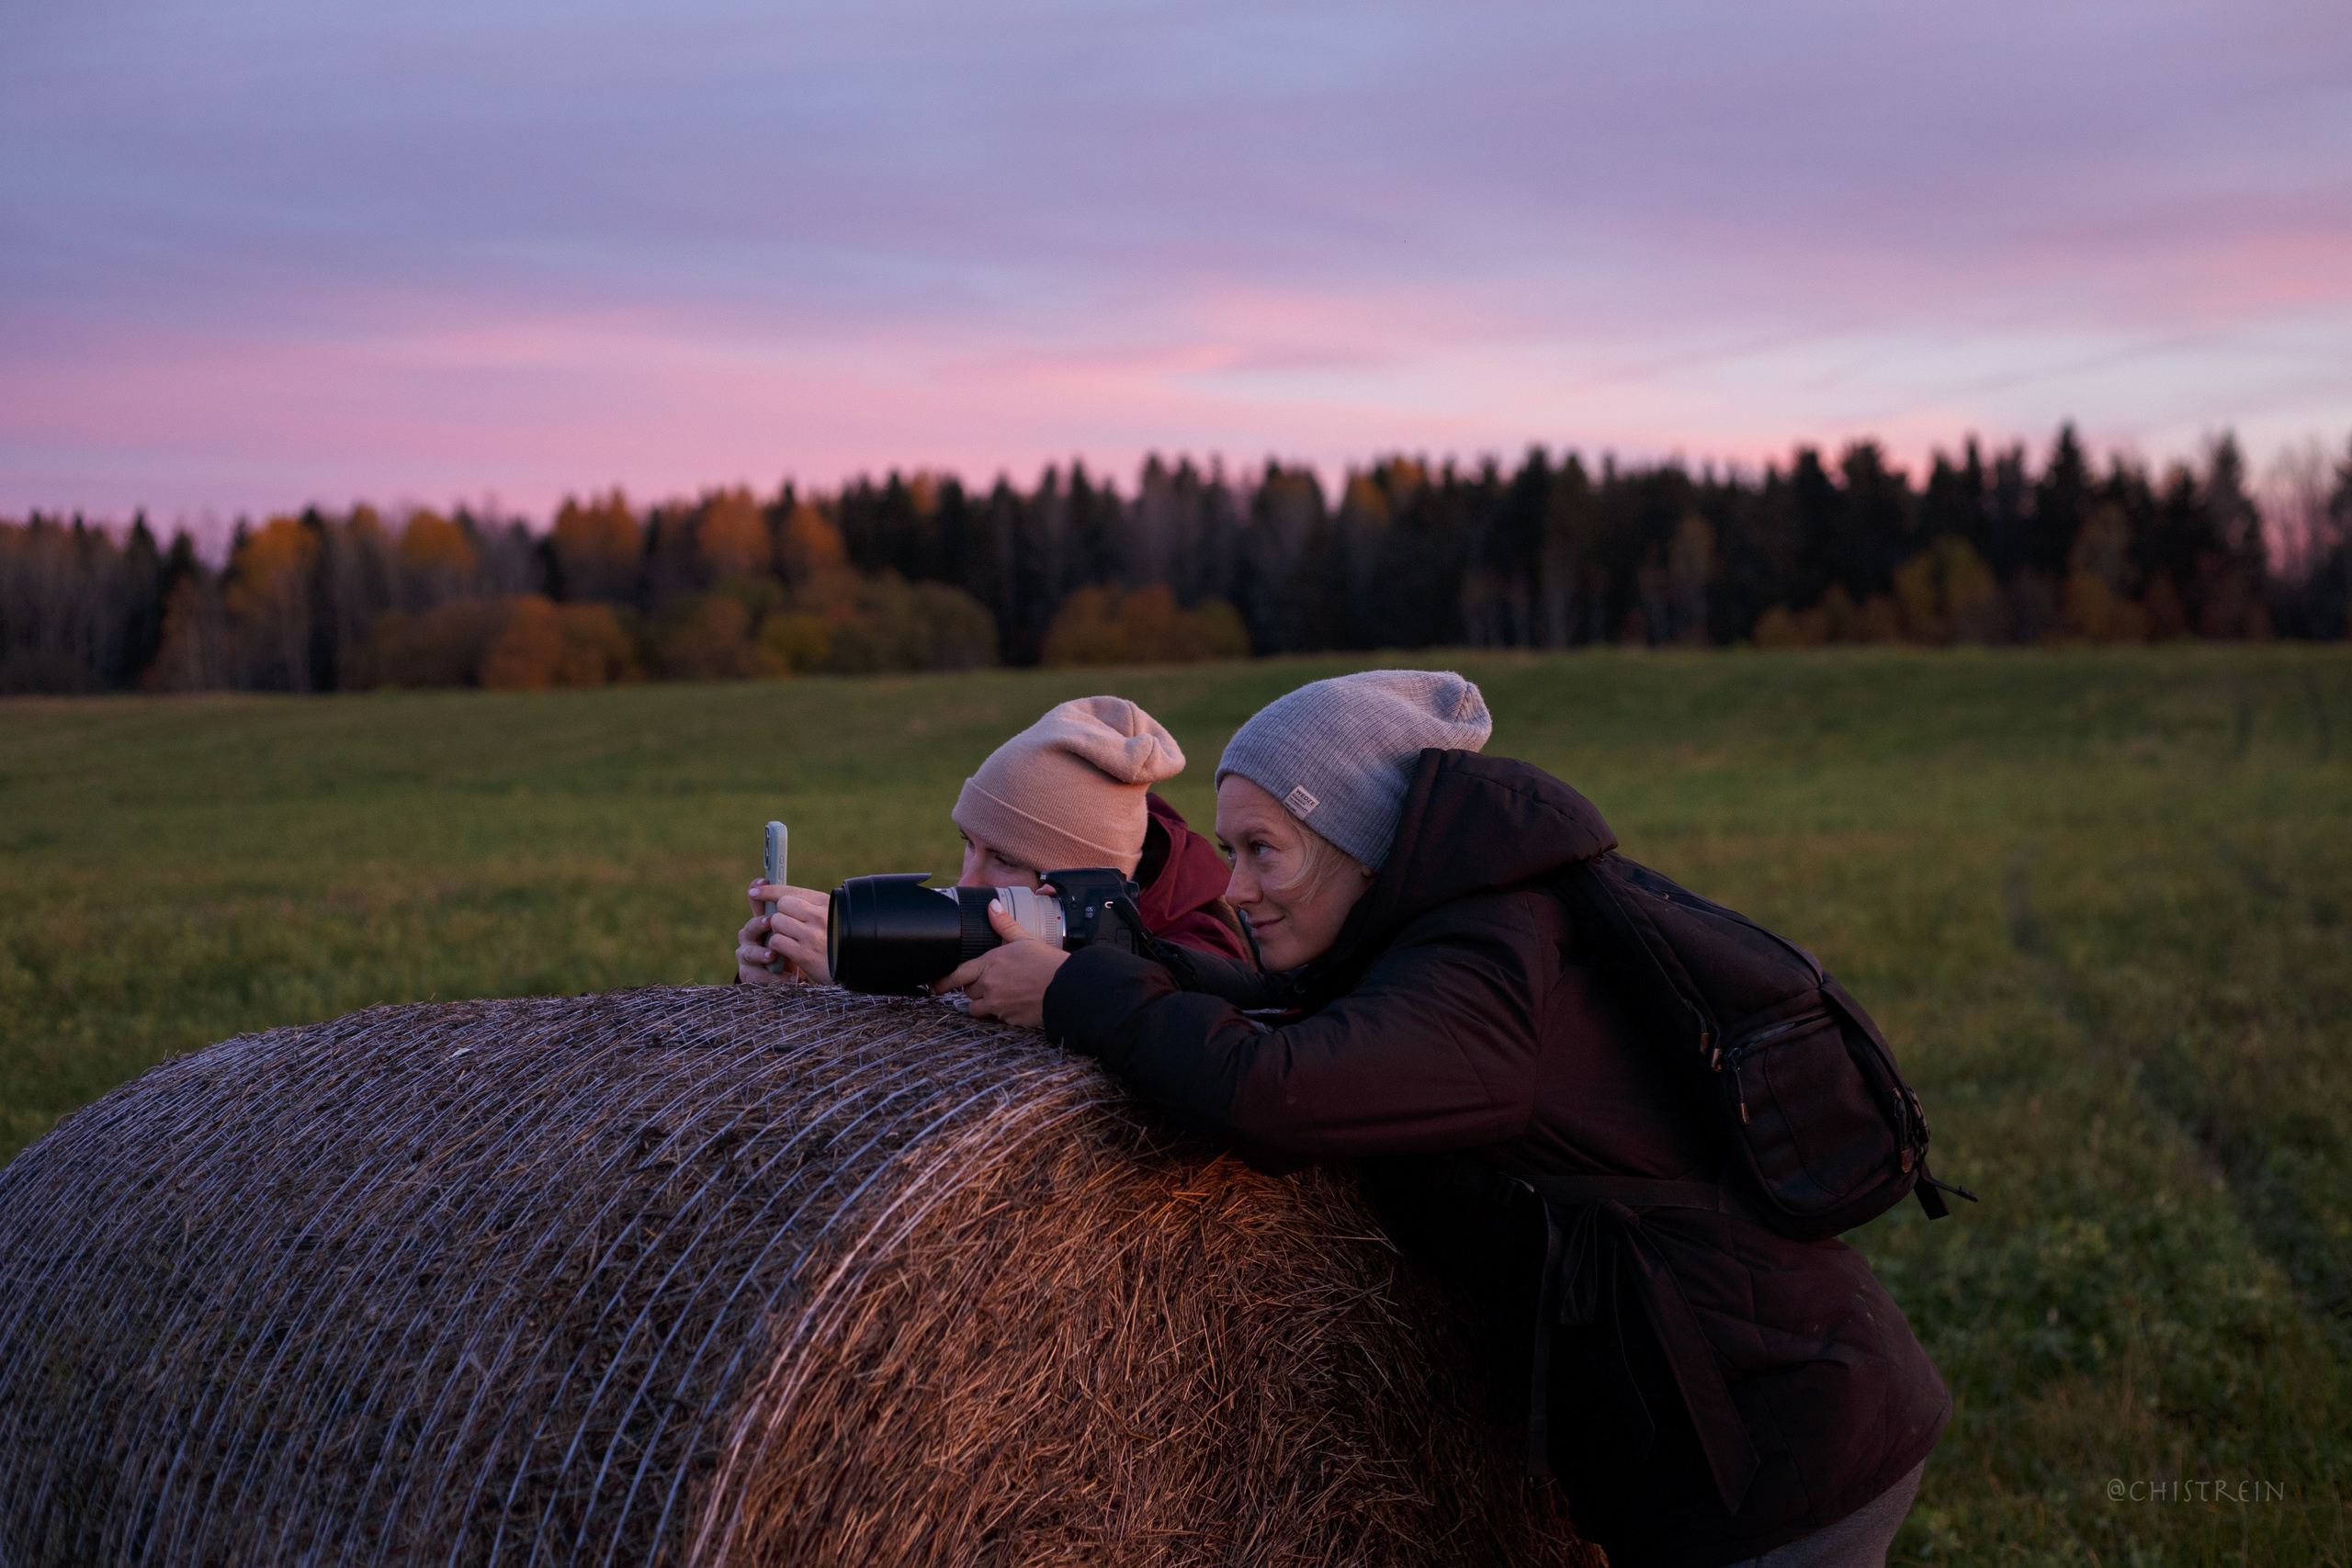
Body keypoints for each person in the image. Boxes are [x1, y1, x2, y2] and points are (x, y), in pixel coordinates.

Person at [950, 670, 1949, 1568]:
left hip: (1778, 1449)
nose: (1239, 888)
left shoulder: (1485, 970)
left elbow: (1277, 1093)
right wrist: (1113, 969)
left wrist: (1073, 998)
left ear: (1360, 844)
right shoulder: (1439, 933)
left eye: (1265, 852)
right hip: (1725, 1429)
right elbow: (1295, 1015)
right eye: (1228, 853)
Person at [736, 694, 1251, 986]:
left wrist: (861, 970)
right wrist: (798, 984)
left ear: (1082, 886)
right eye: (970, 844)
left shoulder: (1199, 960)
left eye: (1005, 859)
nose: (967, 881)